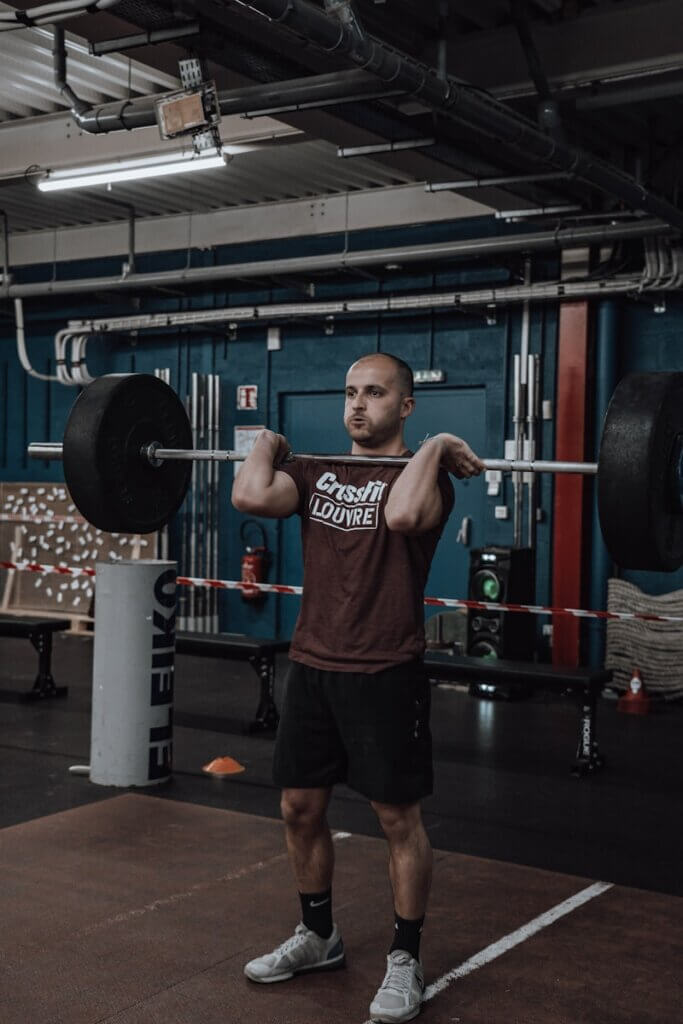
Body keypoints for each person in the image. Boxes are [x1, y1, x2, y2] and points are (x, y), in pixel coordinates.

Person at [232, 352, 484, 1023]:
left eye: (373, 393)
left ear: (404, 405)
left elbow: (401, 518)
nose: (356, 406)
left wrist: (431, 448)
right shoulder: (311, 473)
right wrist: (268, 444)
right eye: (349, 393)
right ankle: (318, 936)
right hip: (313, 664)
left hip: (384, 670)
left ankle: (405, 957)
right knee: (297, 809)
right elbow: (251, 496)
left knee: (395, 818)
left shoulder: (427, 479)